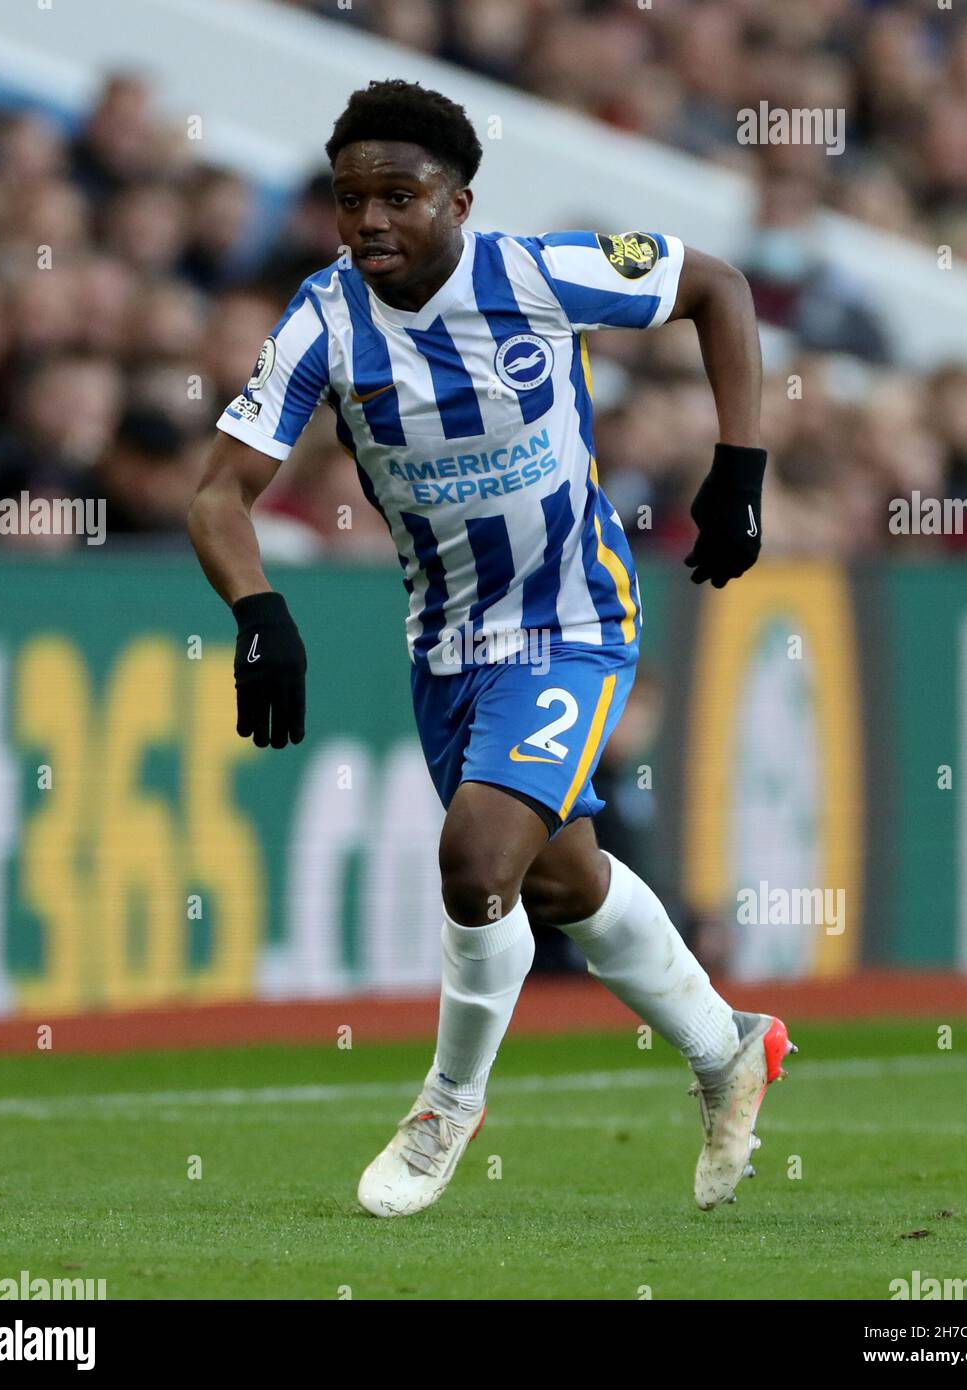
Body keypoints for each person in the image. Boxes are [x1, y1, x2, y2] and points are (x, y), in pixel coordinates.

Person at [186, 79, 795, 1218]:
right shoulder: (323, 320)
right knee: (562, 881)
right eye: (350, 199)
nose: (369, 221)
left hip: (574, 619)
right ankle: (729, 1045)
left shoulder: (536, 275)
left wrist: (740, 466)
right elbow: (220, 493)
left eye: (399, 197)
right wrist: (259, 610)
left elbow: (717, 284)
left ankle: (446, 1106)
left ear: (459, 201)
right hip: (448, 642)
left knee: (477, 861)